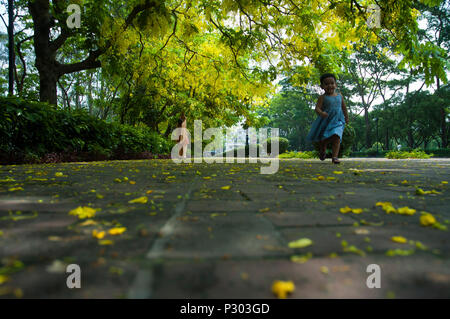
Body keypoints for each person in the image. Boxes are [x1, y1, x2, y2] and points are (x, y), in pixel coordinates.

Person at [306, 73, 349, 164]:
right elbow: (317, 108)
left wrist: (346, 118)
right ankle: (323, 150)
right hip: (326, 121)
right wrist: (321, 113)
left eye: (332, 83)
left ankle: (335, 157)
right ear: (322, 86)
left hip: (338, 121)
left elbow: (344, 108)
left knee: (337, 137)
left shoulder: (339, 96)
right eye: (326, 84)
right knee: (325, 139)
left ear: (336, 84)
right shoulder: (322, 97)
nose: (330, 85)